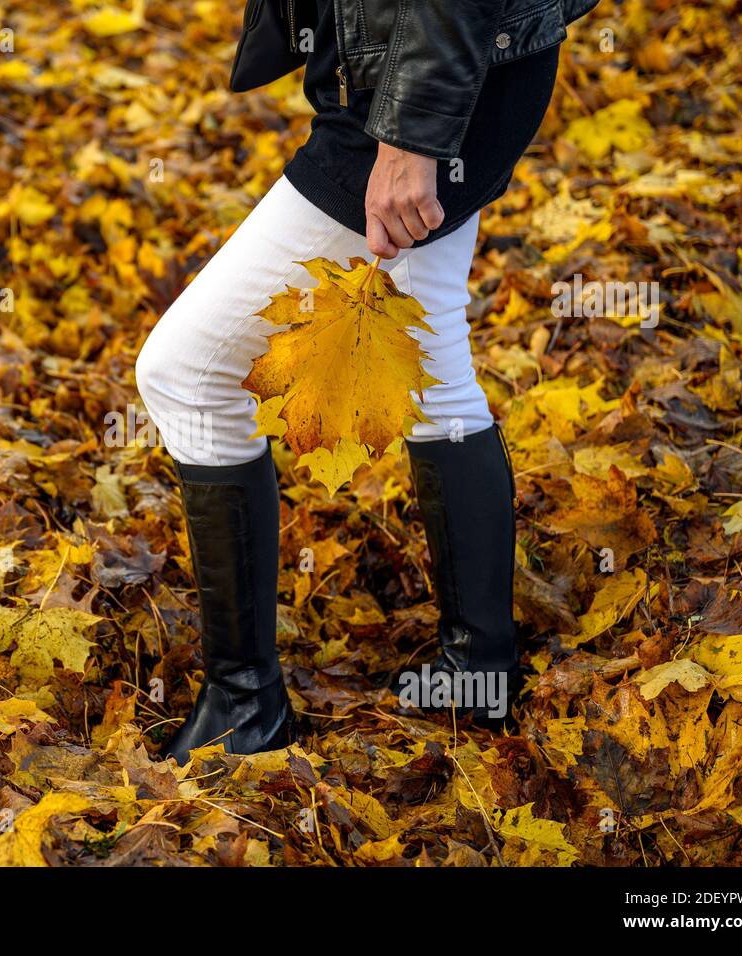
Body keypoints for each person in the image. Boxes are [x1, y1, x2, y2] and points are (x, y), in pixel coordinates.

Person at [136, 0, 599, 763]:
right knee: (433, 347)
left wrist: (411, 139)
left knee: (185, 370)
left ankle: (243, 708)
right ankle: (476, 674)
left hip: (424, 88)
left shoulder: (414, 114)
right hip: (447, 72)